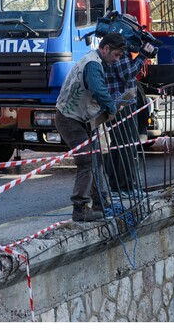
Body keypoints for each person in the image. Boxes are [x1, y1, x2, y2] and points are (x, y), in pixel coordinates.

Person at [55, 33, 125, 222]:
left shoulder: (93, 60)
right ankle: (80, 208)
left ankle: (100, 201)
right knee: (87, 160)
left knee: (97, 159)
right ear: (106, 48)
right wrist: (111, 106)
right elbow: (98, 89)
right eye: (116, 55)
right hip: (70, 118)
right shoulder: (93, 65)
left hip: (80, 118)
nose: (116, 60)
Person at [105, 36, 155, 194]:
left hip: (119, 101)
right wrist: (142, 55)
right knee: (127, 145)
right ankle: (127, 187)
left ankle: (118, 186)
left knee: (119, 144)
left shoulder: (117, 49)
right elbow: (127, 74)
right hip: (122, 102)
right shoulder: (120, 50)